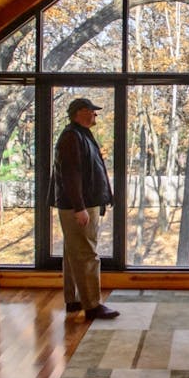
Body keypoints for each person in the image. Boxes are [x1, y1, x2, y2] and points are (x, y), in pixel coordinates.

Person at [50, 97, 119, 319]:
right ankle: (92, 305)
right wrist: (79, 207)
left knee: (73, 252)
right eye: (92, 111)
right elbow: (70, 175)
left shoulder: (80, 135)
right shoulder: (72, 137)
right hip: (78, 206)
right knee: (87, 253)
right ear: (80, 112)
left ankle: (74, 300)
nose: (95, 115)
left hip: (84, 203)